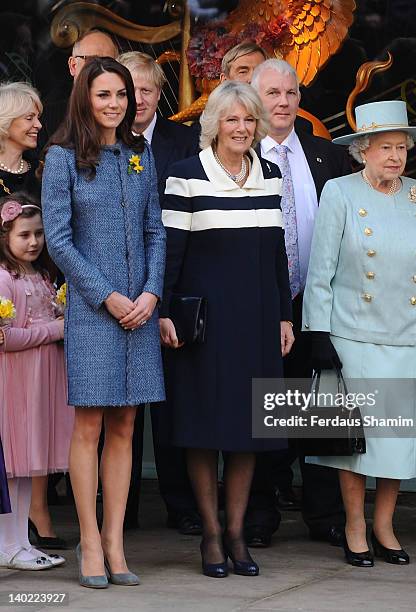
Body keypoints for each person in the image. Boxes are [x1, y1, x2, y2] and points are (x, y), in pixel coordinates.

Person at [303, 100, 416, 566]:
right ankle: (353, 525)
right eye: (385, 147)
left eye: (402, 148)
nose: (395, 156)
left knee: (396, 441)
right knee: (354, 442)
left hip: (405, 336)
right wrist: (318, 333)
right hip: (352, 337)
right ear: (361, 151)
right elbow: (320, 271)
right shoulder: (340, 192)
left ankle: (385, 525)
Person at [160, 80, 294, 578]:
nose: (242, 129)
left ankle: (237, 533)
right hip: (204, 327)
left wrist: (283, 316)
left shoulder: (271, 174)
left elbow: (277, 257)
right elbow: (170, 256)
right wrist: (164, 313)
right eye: (232, 120)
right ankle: (211, 534)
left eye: (249, 120)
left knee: (248, 433)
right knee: (203, 431)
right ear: (214, 124)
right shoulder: (184, 176)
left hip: (258, 323)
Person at [41, 57, 166, 588]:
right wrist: (107, 296)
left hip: (140, 311)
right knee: (89, 423)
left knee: (126, 424)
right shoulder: (62, 158)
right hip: (96, 314)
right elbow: (59, 240)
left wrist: (151, 293)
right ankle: (88, 542)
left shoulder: (140, 153)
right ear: (84, 99)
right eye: (104, 96)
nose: (116, 104)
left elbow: (156, 231)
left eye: (122, 95)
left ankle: (116, 543)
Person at [246, 58, 351, 548]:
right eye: (272, 93)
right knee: (265, 412)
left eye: (290, 92)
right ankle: (260, 517)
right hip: (264, 306)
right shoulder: (238, 157)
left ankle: (325, 517)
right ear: (254, 99)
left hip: (320, 306)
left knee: (322, 414)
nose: (283, 101)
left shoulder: (327, 155)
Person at [117, 50, 201, 534]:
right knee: (119, 412)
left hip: (168, 293)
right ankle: (120, 511)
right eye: (130, 90)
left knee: (170, 410)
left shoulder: (184, 142)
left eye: (148, 89)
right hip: (115, 299)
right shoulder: (100, 144)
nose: (139, 99)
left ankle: (181, 507)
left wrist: (164, 299)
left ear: (158, 94)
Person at [0, 80, 69, 549]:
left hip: (38, 285)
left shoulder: (40, 176)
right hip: (5, 297)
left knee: (34, 420)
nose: (37, 124)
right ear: (5, 122)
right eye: (29, 117)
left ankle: (37, 514)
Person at [40, 29, 118, 144]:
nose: (101, 69)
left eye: (108, 62)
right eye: (92, 61)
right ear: (73, 66)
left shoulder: (124, 116)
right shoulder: (44, 119)